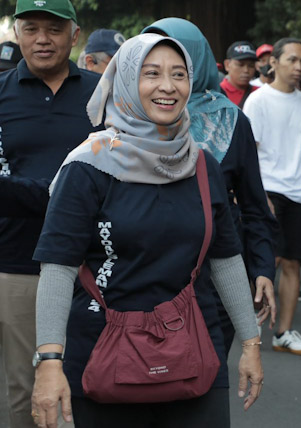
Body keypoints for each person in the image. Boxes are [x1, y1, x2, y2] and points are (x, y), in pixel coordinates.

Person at [30, 33, 263, 428]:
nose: (168, 86)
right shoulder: (88, 167)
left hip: (195, 352)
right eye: (151, 73)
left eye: (179, 74)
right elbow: (58, 267)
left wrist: (251, 343)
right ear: (124, 81)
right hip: (105, 354)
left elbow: (225, 258)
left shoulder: (202, 164)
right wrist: (49, 361)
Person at [141, 18, 279, 352]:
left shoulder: (232, 121)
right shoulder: (129, 118)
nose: (167, 82)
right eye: (152, 66)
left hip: (215, 277)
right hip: (142, 274)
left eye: (178, 66)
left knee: (207, 375)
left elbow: (253, 205)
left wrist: (262, 269)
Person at [0, 0, 99, 428]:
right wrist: (66, 195)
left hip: (93, 262)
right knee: (25, 388)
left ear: (74, 35)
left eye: (54, 29)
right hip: (17, 262)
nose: (43, 38)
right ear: (17, 32)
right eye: (31, 28)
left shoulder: (102, 95)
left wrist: (36, 192)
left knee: (91, 382)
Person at [243, 37, 301, 356]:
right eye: (292, 60)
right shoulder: (257, 102)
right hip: (267, 190)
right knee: (266, 260)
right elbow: (250, 155)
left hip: (298, 192)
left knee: (293, 264)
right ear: (273, 62)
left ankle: (284, 332)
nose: (299, 67)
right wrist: (260, 196)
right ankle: (249, 324)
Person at [221, 40, 257, 107]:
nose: (246, 70)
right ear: (227, 65)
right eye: (240, 64)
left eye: (251, 66)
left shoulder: (260, 93)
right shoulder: (217, 94)